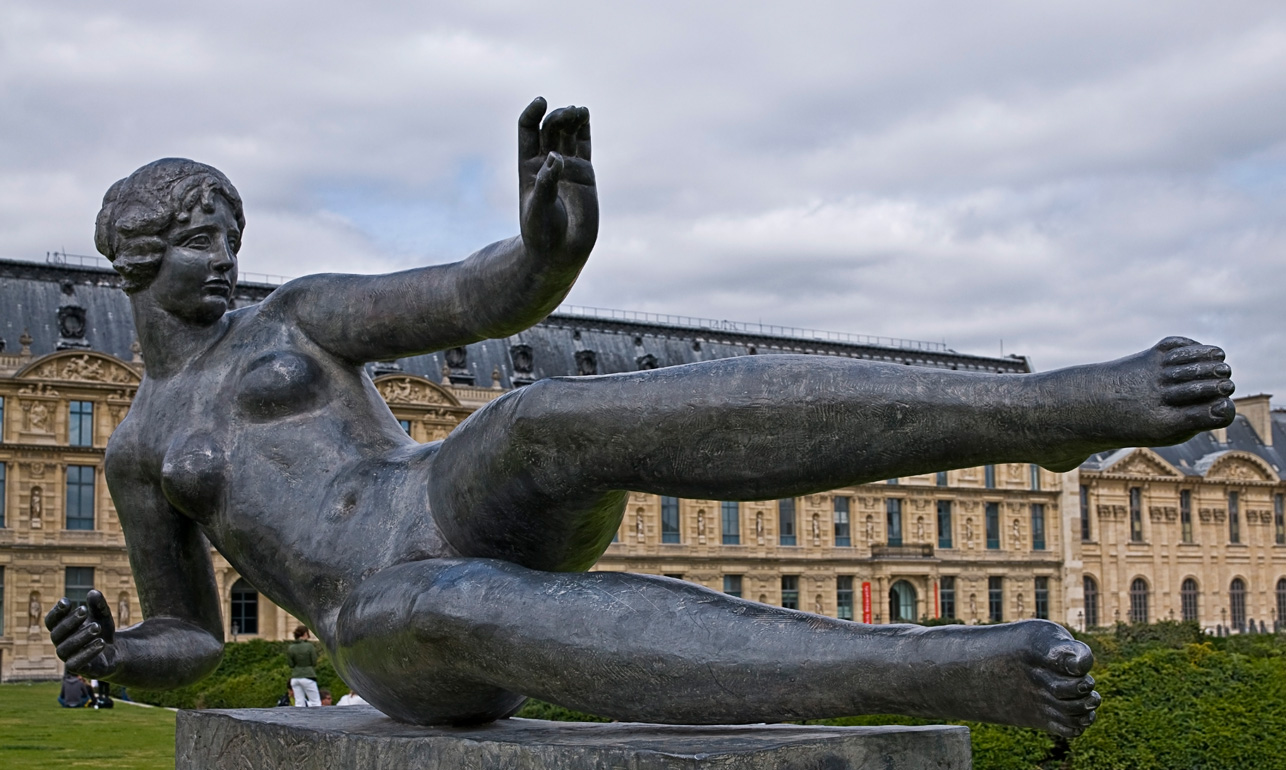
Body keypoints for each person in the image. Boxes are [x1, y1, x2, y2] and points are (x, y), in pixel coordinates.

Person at [43, 98, 1236, 737]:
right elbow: (190, 636)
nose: (222, 260)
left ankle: (1038, 412)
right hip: (377, 616)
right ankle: (948, 669)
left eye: (228, 237)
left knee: (541, 413)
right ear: (134, 258)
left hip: (434, 496)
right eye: (198, 241)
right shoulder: (143, 445)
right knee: (434, 598)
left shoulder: (297, 319)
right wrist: (119, 656)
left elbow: (482, 295)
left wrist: (549, 245)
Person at [287, 626, 321, 708]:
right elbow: (313, 661)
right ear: (305, 634)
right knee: (315, 702)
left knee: (299, 703)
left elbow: (291, 664)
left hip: (295, 677)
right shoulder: (309, 646)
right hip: (308, 676)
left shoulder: (291, 648)